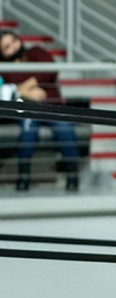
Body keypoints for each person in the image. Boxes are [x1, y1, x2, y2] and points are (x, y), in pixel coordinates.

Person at [0, 29, 80, 191]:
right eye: (7, 47)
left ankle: (73, 175)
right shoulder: (4, 69)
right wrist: (27, 92)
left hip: (52, 107)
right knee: (28, 131)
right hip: (27, 110)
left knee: (65, 129)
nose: (13, 47)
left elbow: (49, 69)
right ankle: (24, 176)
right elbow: (7, 89)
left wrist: (23, 87)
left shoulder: (36, 52)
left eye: (13, 42)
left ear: (19, 40)